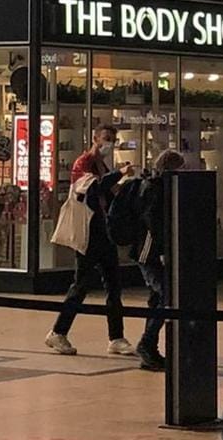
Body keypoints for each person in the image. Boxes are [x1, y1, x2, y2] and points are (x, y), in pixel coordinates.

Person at [45, 124, 133, 357]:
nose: (109, 143)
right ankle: (58, 331)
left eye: (113, 139)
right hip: (88, 234)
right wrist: (120, 174)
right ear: (95, 138)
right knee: (82, 284)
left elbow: (109, 193)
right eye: (106, 139)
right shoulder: (82, 164)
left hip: (104, 233)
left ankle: (116, 336)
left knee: (114, 285)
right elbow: (94, 187)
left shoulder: (101, 165)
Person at [133, 149, 185, 372]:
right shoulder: (155, 189)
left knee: (157, 298)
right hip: (150, 252)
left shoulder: (159, 186)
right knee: (165, 294)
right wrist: (162, 249)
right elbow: (153, 222)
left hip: (155, 251)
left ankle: (150, 347)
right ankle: (147, 342)